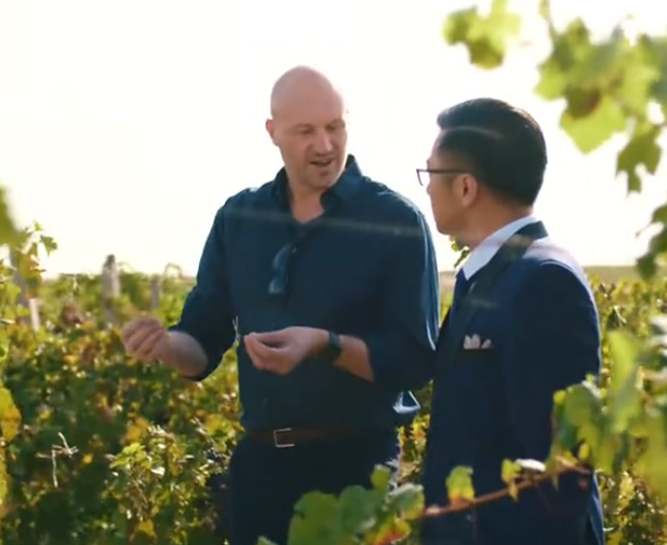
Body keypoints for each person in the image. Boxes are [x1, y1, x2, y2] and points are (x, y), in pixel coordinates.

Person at [120, 66, 440, 545]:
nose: (325, 145)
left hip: (355, 470)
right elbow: (201, 344)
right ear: (272, 132)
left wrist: (324, 345)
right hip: (260, 469)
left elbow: (413, 361)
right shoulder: (239, 219)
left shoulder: (394, 222)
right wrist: (166, 345)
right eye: (306, 131)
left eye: (335, 127)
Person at [418, 98, 605, 545]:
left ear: (466, 187)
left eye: (431, 173)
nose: (427, 189)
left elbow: (559, 474)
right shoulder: (490, 276)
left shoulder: (543, 283)